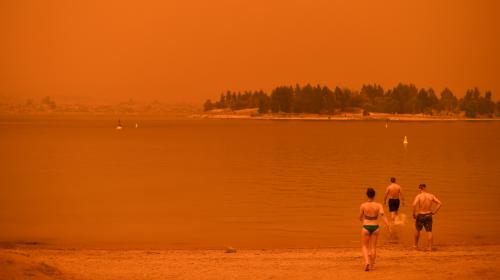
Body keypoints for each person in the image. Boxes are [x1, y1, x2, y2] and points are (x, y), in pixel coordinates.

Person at [359, 188, 390, 271]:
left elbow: (360, 217)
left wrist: (362, 219)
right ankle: (372, 265)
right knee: (373, 247)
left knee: (364, 246)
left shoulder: (363, 205)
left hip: (366, 227)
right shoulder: (378, 205)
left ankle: (367, 262)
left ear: (367, 195)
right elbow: (383, 215)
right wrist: (387, 224)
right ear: (374, 195)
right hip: (375, 227)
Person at [412, 183, 443, 251]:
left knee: (417, 230)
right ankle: (430, 247)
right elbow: (440, 203)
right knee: (429, 231)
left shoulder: (419, 196)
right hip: (428, 215)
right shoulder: (431, 195)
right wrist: (434, 212)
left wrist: (414, 214)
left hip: (420, 215)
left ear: (420, 189)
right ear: (425, 188)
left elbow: (414, 205)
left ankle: (415, 245)